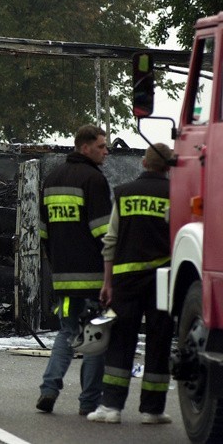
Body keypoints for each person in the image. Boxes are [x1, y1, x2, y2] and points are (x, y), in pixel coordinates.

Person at [87, 143, 174, 424]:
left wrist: (107, 282)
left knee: (122, 340)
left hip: (125, 279)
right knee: (159, 339)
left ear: (143, 164)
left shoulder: (124, 193)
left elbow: (110, 240)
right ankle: (153, 410)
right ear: (168, 167)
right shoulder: (175, 194)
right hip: (164, 279)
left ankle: (111, 407)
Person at [37, 124, 111, 416]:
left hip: (63, 278)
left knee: (67, 333)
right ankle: (89, 403)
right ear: (85, 147)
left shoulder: (52, 178)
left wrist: (55, 266)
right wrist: (111, 273)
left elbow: (43, 232)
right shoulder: (93, 179)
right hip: (92, 276)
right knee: (94, 338)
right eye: (101, 146)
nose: (106, 151)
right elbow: (103, 232)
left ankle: (49, 390)